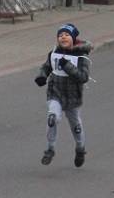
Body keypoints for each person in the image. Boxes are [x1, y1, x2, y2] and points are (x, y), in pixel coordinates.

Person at [35, 24, 92, 167]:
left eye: (66, 35)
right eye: (60, 35)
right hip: (55, 92)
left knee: (76, 126)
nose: (63, 37)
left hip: (73, 96)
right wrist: (42, 76)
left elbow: (83, 76)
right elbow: (47, 66)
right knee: (52, 118)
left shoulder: (81, 56)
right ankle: (50, 149)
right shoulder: (54, 52)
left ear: (73, 38)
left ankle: (80, 148)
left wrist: (67, 65)